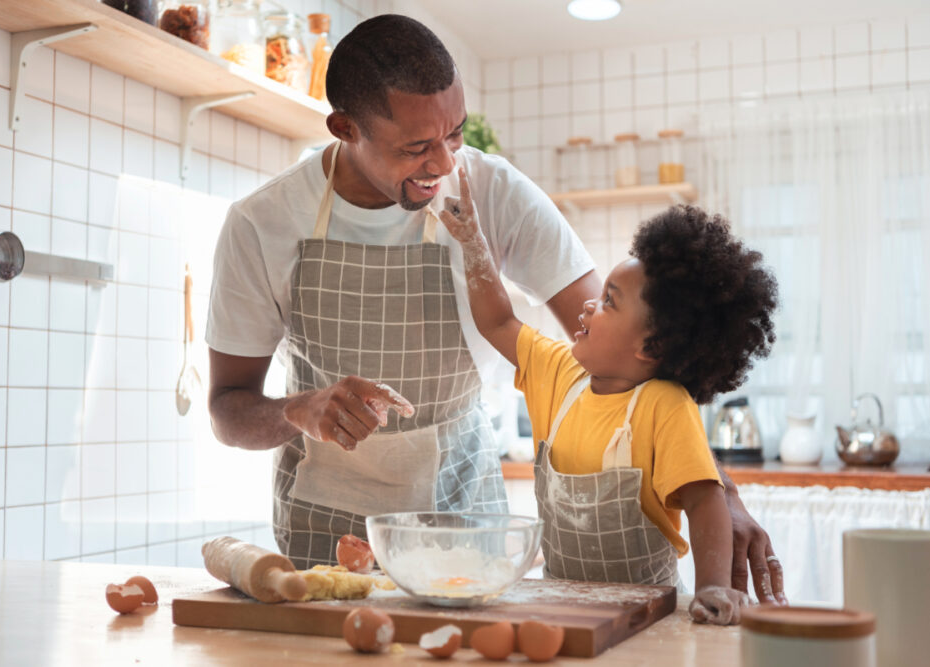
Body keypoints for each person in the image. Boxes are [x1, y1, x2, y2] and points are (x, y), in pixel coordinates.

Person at [204, 13, 787, 605]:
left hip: (466, 526)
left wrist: (721, 494)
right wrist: (301, 409)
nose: (444, 164)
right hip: (324, 531)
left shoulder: (495, 193)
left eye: (454, 135)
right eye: (416, 147)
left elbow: (637, 356)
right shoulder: (262, 224)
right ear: (345, 127)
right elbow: (228, 412)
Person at [438, 174, 778, 623]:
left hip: (647, 615)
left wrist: (713, 587)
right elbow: (499, 323)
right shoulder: (558, 371)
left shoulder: (665, 406)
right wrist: (474, 245)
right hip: (564, 606)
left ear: (650, 347)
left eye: (608, 302)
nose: (587, 307)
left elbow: (704, 500)